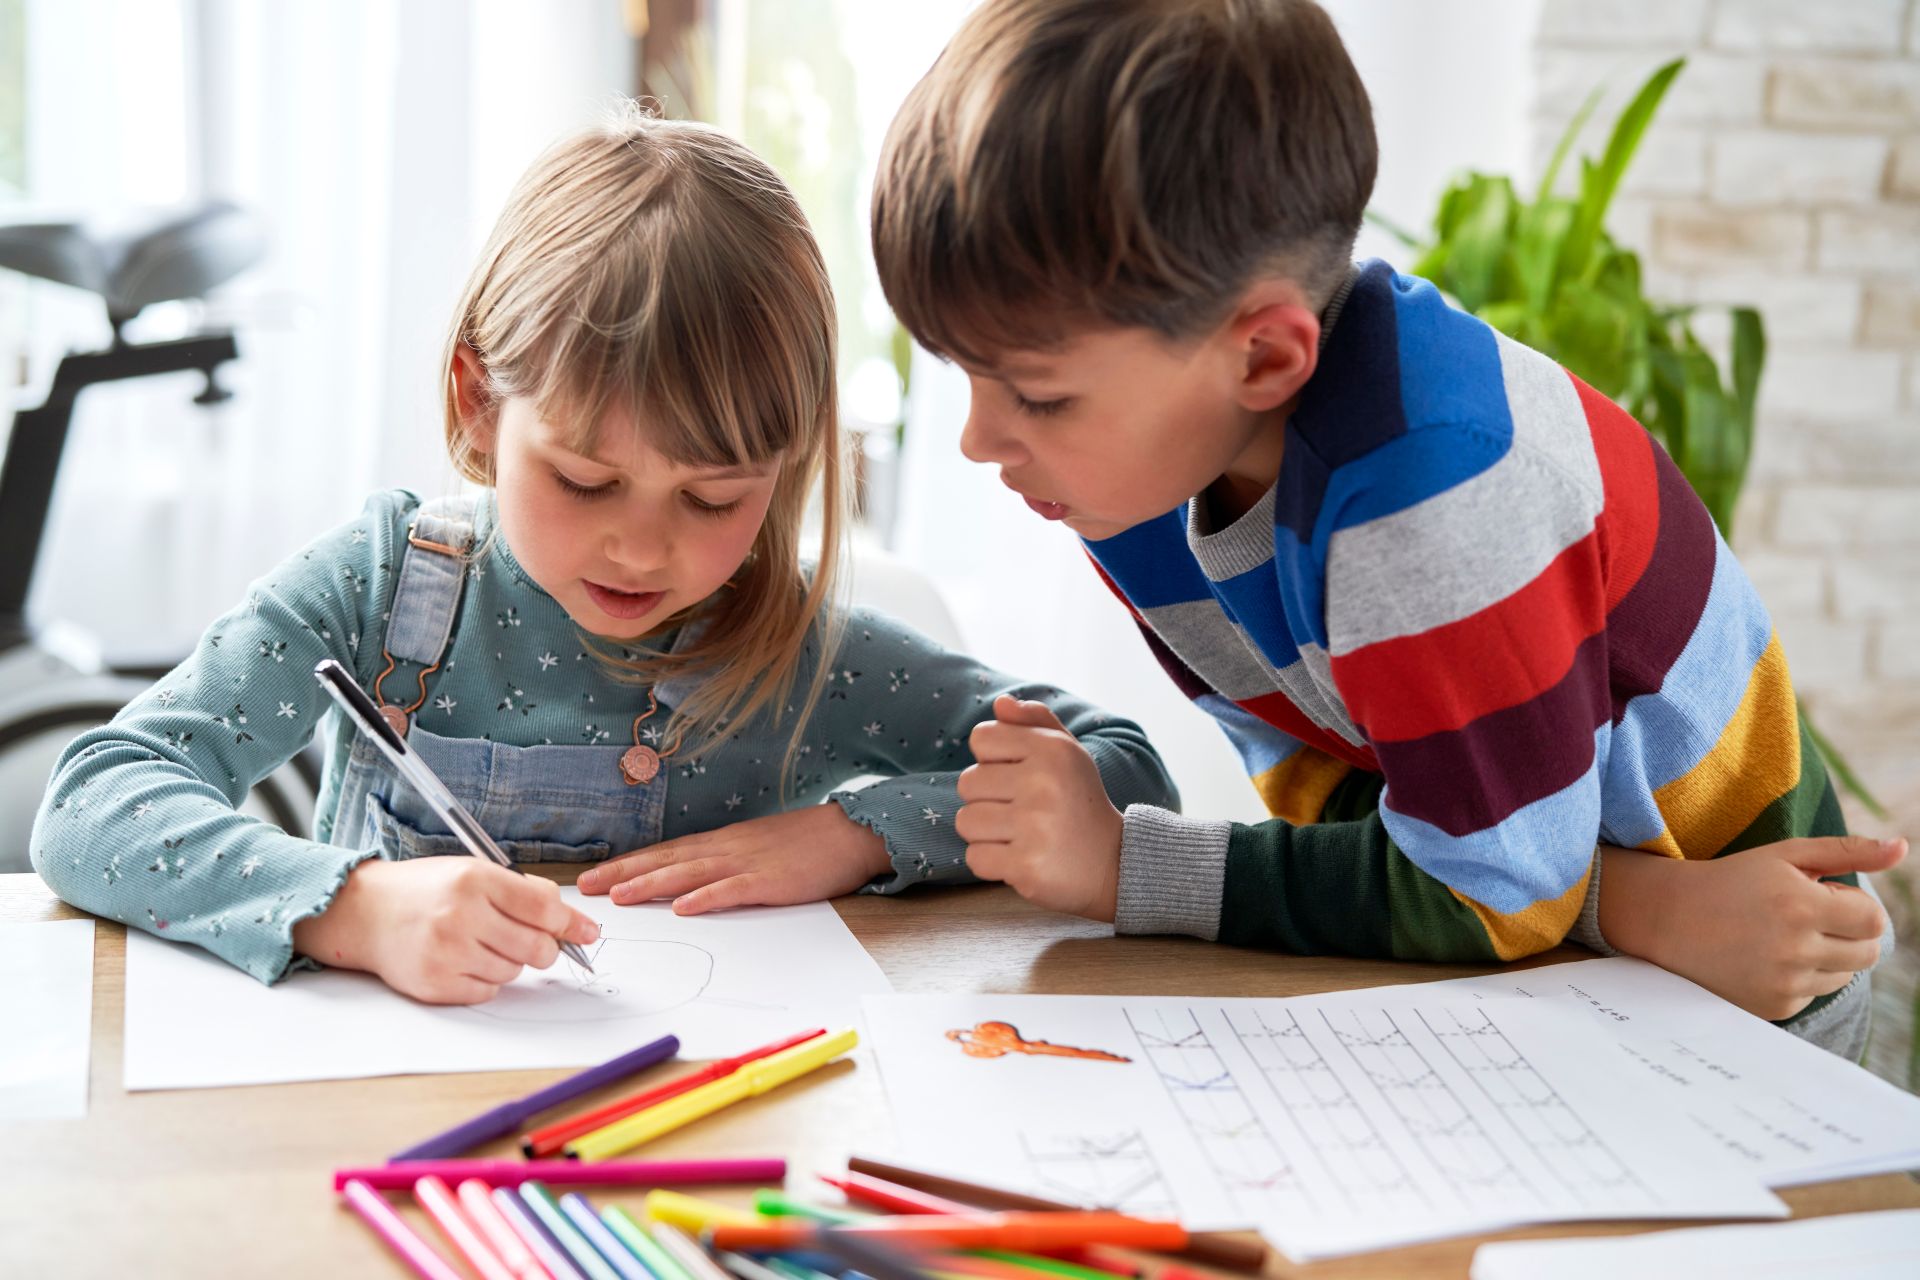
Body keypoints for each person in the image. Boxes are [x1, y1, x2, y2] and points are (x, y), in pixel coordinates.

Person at [869, 0, 1902, 1057]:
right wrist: (1610, 897)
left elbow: (1492, 895)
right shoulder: (1139, 476)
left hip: (1746, 965)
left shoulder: (1433, 493)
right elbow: (1391, 824)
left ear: (1265, 357)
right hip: (1584, 946)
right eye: (965, 375)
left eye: (1037, 396)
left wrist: (1129, 866)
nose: (978, 440)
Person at [30, 106, 1175, 1006]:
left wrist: (856, 831)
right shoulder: (382, 586)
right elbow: (91, 805)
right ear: (480, 403)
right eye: (584, 478)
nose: (642, 542)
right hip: (384, 1129)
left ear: (783, 468)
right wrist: (355, 907)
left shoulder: (803, 657)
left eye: (714, 495)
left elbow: (1119, 767)